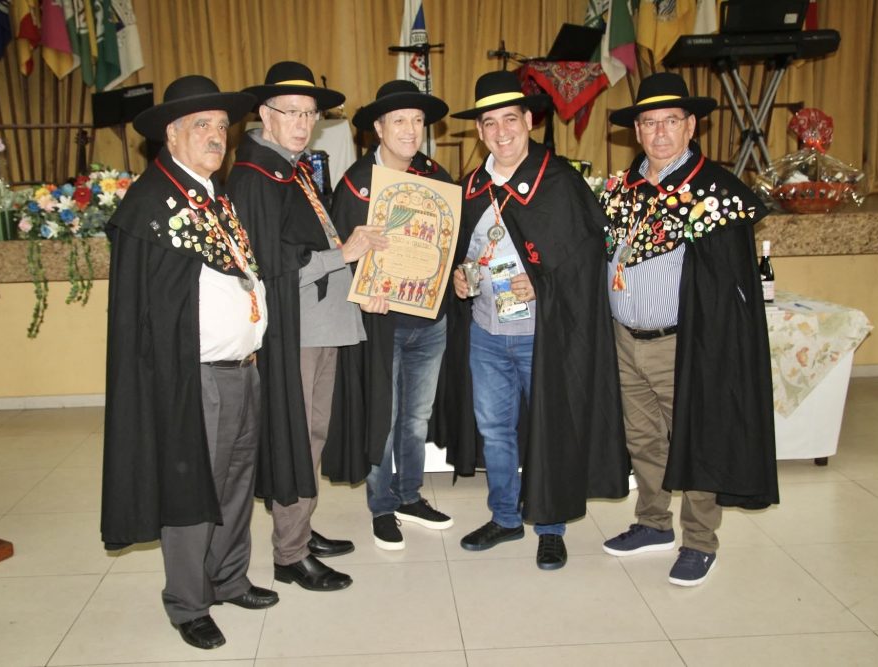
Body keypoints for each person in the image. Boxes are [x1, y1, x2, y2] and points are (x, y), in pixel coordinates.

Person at [101, 76, 276, 651]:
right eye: (202, 125)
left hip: (242, 367)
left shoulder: (213, 197)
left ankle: (227, 578)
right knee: (192, 489)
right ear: (171, 135)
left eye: (222, 126)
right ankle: (187, 602)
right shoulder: (153, 203)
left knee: (236, 483)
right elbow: (150, 309)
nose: (216, 136)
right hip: (194, 377)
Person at [434, 71, 628, 570]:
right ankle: (504, 516)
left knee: (549, 427)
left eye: (510, 119)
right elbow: (460, 253)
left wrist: (543, 285)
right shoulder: (470, 188)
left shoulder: (558, 182)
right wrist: (458, 278)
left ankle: (550, 526)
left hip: (543, 336)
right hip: (485, 332)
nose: (501, 132)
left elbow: (588, 259)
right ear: (480, 131)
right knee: (495, 430)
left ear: (528, 121)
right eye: (490, 122)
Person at [598, 72, 778, 586]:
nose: (659, 133)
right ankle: (653, 523)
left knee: (698, 439)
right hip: (624, 339)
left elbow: (726, 285)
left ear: (691, 126)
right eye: (649, 122)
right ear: (636, 130)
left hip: (685, 343)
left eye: (671, 121)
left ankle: (700, 541)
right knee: (643, 440)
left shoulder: (713, 192)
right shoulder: (622, 189)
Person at [228, 61, 386, 592]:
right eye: (291, 112)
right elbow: (272, 265)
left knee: (312, 435)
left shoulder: (289, 169)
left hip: (320, 325)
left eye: (309, 113)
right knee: (297, 437)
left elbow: (308, 243)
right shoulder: (255, 176)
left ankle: (299, 529)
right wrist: (345, 253)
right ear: (264, 114)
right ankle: (290, 554)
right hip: (294, 331)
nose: (302, 123)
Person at [325, 80, 455, 551]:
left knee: (417, 417)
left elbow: (449, 242)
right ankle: (382, 505)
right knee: (384, 414)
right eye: (399, 120)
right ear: (378, 128)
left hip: (430, 321)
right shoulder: (356, 184)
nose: (410, 129)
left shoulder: (436, 177)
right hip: (381, 324)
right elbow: (340, 257)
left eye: (418, 120)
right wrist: (361, 294)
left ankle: (410, 495)